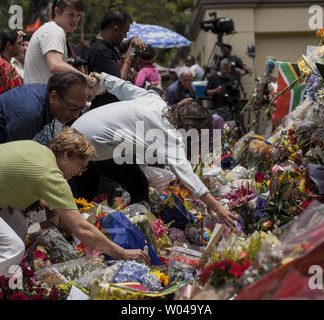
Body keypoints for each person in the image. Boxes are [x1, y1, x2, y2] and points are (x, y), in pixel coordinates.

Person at [0, 127, 150, 300]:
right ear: (66, 155)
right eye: (81, 166)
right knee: (10, 249)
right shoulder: (50, 174)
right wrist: (121, 253)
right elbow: (81, 228)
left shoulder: (37, 149)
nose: (79, 173)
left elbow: (12, 174)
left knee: (19, 226)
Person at [71, 72, 238, 230]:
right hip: (91, 141)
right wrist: (218, 208)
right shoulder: (170, 137)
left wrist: (103, 78)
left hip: (80, 126)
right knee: (138, 185)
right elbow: (188, 176)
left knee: (125, 181)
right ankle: (138, 232)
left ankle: (125, 227)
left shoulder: (155, 100)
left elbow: (123, 87)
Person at [0, 71, 90, 153]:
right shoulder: (29, 113)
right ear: (54, 96)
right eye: (73, 107)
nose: (76, 115)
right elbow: (14, 157)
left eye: (81, 109)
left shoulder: (45, 95)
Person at [24, 0, 94, 86]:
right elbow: (55, 65)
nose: (75, 20)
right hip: (39, 95)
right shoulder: (55, 30)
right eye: (71, 14)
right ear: (57, 11)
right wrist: (85, 78)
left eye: (78, 15)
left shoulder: (51, 29)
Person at [87, 9, 146, 108]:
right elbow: (119, 84)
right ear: (115, 29)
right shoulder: (101, 52)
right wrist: (129, 57)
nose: (125, 36)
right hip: (105, 110)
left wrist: (134, 40)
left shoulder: (111, 45)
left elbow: (127, 44)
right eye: (124, 32)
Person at [0, 29, 23, 95]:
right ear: (9, 45)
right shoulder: (2, 67)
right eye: (19, 43)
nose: (21, 47)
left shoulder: (0, 63)